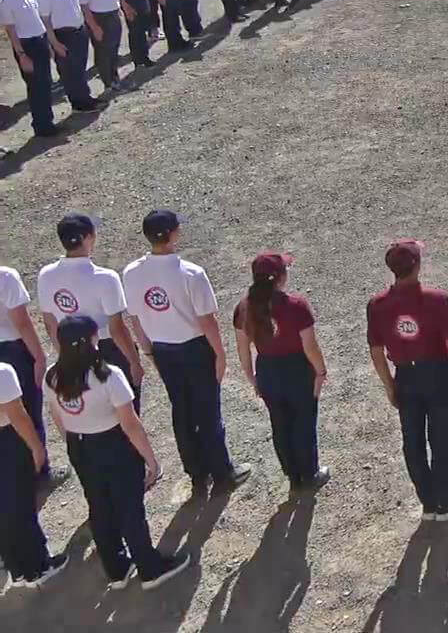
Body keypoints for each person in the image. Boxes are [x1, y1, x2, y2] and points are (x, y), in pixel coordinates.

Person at [46, 315, 188, 589]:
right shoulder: (108, 376)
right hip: (113, 445)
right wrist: (151, 460)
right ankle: (149, 568)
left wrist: (75, 441)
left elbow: (58, 417)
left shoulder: (52, 376)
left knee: (99, 506)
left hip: (80, 444)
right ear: (91, 340)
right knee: (130, 509)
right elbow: (131, 425)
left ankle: (116, 569)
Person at [121, 210, 250, 491]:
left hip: (163, 350)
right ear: (174, 233)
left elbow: (135, 318)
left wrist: (149, 352)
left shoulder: (131, 273)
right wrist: (220, 353)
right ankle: (223, 471)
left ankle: (196, 472)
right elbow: (207, 320)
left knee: (181, 410)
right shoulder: (191, 273)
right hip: (195, 349)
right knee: (208, 411)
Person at [367, 239, 448, 521]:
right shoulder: (436, 299)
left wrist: (389, 385)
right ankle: (445, 497)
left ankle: (427, 500)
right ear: (417, 265)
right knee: (440, 437)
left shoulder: (377, 305)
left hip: (406, 375)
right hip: (436, 374)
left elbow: (376, 350)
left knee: (412, 439)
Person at [234, 251, 328, 490]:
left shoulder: (244, 308)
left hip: (267, 369)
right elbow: (310, 346)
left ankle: (292, 475)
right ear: (280, 277)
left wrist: (252, 378)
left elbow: (243, 348)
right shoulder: (296, 306)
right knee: (304, 422)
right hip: (297, 369)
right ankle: (310, 473)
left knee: (280, 423)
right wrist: (320, 371)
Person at [38, 214, 143, 404]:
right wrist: (134, 362)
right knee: (123, 407)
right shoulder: (106, 278)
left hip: (71, 348)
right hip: (108, 349)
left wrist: (64, 354)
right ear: (88, 237)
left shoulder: (46, 275)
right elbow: (117, 328)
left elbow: (50, 322)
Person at [0, 351, 63, 587]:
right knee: (21, 504)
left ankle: (16, 568)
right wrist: (37, 447)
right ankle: (38, 567)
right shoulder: (3, 372)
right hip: (8, 442)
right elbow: (18, 416)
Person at [0, 263, 53, 489]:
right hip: (14, 352)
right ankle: (38, 472)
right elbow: (21, 323)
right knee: (28, 410)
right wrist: (39, 357)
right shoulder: (6, 277)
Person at [2, 0, 60, 137]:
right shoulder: (5, 1)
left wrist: (48, 43)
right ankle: (41, 126)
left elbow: (39, 20)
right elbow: (11, 31)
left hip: (40, 40)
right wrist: (21, 55)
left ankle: (48, 121)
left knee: (46, 82)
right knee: (36, 86)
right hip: (27, 46)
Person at [34, 0, 98, 113]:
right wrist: (54, 43)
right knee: (70, 71)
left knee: (80, 67)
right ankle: (78, 103)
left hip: (79, 30)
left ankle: (85, 97)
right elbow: (45, 20)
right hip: (63, 34)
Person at [73, 0, 125, 91]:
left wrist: (118, 7)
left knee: (114, 47)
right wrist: (94, 26)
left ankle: (115, 77)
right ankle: (108, 81)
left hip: (112, 14)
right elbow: (84, 6)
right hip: (99, 17)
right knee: (103, 51)